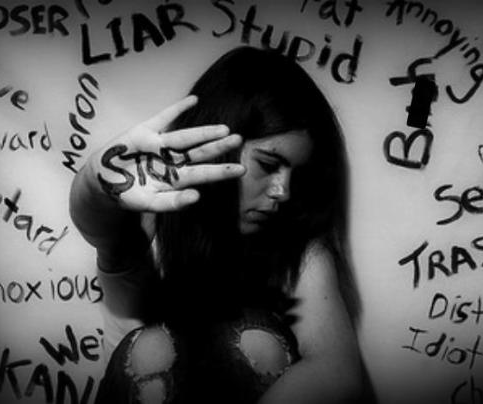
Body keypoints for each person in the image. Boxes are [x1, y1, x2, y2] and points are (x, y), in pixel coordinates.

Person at [69, 46, 367, 403]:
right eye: (268, 164)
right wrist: (97, 177)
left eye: (296, 174)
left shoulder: (297, 250)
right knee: (157, 347)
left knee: (256, 342)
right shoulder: (150, 222)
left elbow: (337, 371)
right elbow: (93, 220)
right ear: (219, 146)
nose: (283, 191)